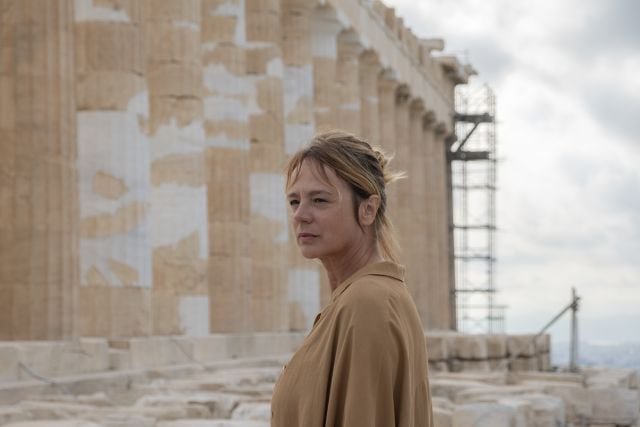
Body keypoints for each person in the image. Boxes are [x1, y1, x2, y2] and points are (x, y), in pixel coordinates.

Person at [271, 131, 433, 427]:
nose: (300, 215)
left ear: (367, 210)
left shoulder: (368, 303)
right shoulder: (361, 299)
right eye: (294, 202)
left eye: (319, 200)